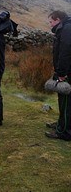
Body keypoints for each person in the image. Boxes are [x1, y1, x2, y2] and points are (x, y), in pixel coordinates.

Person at [45, 11, 71, 141]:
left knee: (66, 102)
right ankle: (62, 124)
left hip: (68, 72)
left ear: (57, 19)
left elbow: (66, 51)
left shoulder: (66, 29)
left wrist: (61, 73)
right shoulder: (66, 27)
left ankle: (64, 131)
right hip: (67, 70)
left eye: (51, 22)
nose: (50, 25)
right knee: (65, 101)